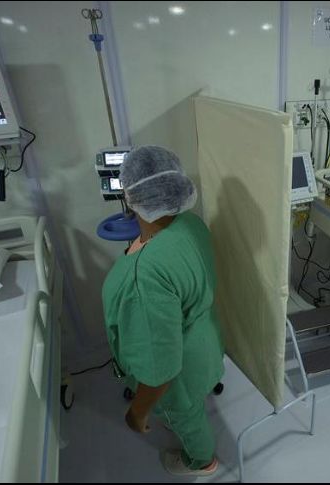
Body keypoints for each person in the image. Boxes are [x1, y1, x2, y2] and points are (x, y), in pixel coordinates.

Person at [101, 145, 224, 477]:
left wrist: (137, 414)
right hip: (207, 341)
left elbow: (160, 370)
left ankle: (202, 462)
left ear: (129, 197)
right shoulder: (192, 224)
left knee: (187, 418)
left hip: (178, 377)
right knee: (193, 403)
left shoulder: (144, 276)